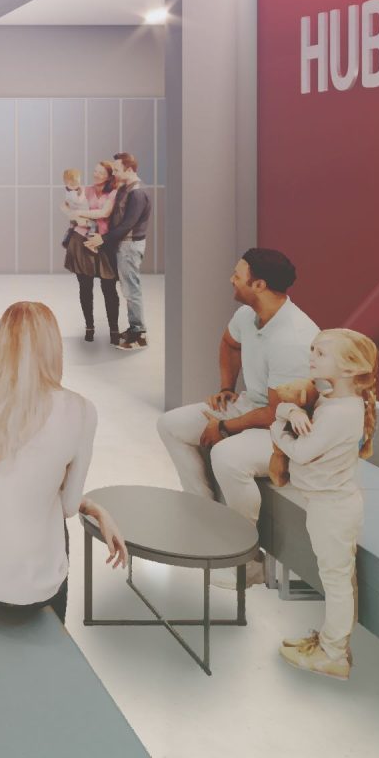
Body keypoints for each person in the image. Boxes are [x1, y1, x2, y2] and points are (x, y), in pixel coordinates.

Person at [0, 302, 127, 621]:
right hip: (19, 589)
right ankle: (58, 625)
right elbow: (67, 507)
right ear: (54, 345)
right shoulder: (80, 410)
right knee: (55, 527)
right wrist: (96, 507)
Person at [152, 247, 319, 582]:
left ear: (258, 285)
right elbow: (229, 343)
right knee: (170, 424)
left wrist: (225, 427)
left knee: (227, 456)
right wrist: (227, 385)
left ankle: (246, 561)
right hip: (252, 405)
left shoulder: (293, 338)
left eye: (237, 275)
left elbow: (277, 413)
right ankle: (205, 521)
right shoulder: (249, 315)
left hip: (290, 427)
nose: (231, 279)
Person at [267, 329, 379, 679]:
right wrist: (289, 411)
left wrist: (278, 428)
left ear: (348, 368)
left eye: (321, 353)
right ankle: (331, 642)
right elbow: (286, 403)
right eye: (312, 350)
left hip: (333, 508)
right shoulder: (333, 400)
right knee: (335, 577)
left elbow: (301, 451)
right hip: (327, 504)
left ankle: (334, 653)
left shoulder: (339, 413)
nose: (312, 357)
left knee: (336, 581)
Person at [63, 160, 122, 344]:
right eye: (95, 171)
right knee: (85, 287)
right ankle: (89, 327)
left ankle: (114, 330)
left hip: (103, 243)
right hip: (81, 241)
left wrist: (81, 215)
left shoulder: (113, 192)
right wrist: (71, 215)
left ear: (109, 175)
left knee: (109, 288)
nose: (95, 174)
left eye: (100, 172)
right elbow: (65, 205)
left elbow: (104, 213)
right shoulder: (85, 189)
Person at [103, 159, 152, 350]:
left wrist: (104, 239)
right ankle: (134, 327)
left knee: (131, 290)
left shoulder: (137, 193)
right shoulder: (127, 188)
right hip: (125, 246)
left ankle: (139, 334)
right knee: (129, 289)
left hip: (129, 247)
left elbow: (127, 225)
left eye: (117, 170)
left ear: (129, 169)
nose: (114, 173)